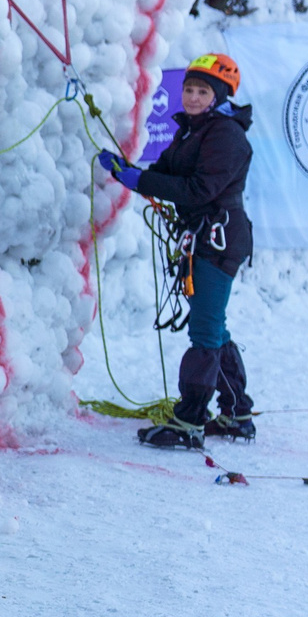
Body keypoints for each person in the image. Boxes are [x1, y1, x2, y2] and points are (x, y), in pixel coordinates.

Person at [97, 52, 255, 449]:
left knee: (204, 331)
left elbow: (199, 189)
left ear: (218, 96)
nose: (193, 97)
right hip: (203, 238)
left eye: (203, 91)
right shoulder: (191, 130)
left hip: (220, 239)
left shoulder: (226, 135)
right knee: (213, 325)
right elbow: (166, 174)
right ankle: (236, 412)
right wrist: (126, 171)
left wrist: (140, 181)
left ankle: (190, 422)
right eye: (189, 89)